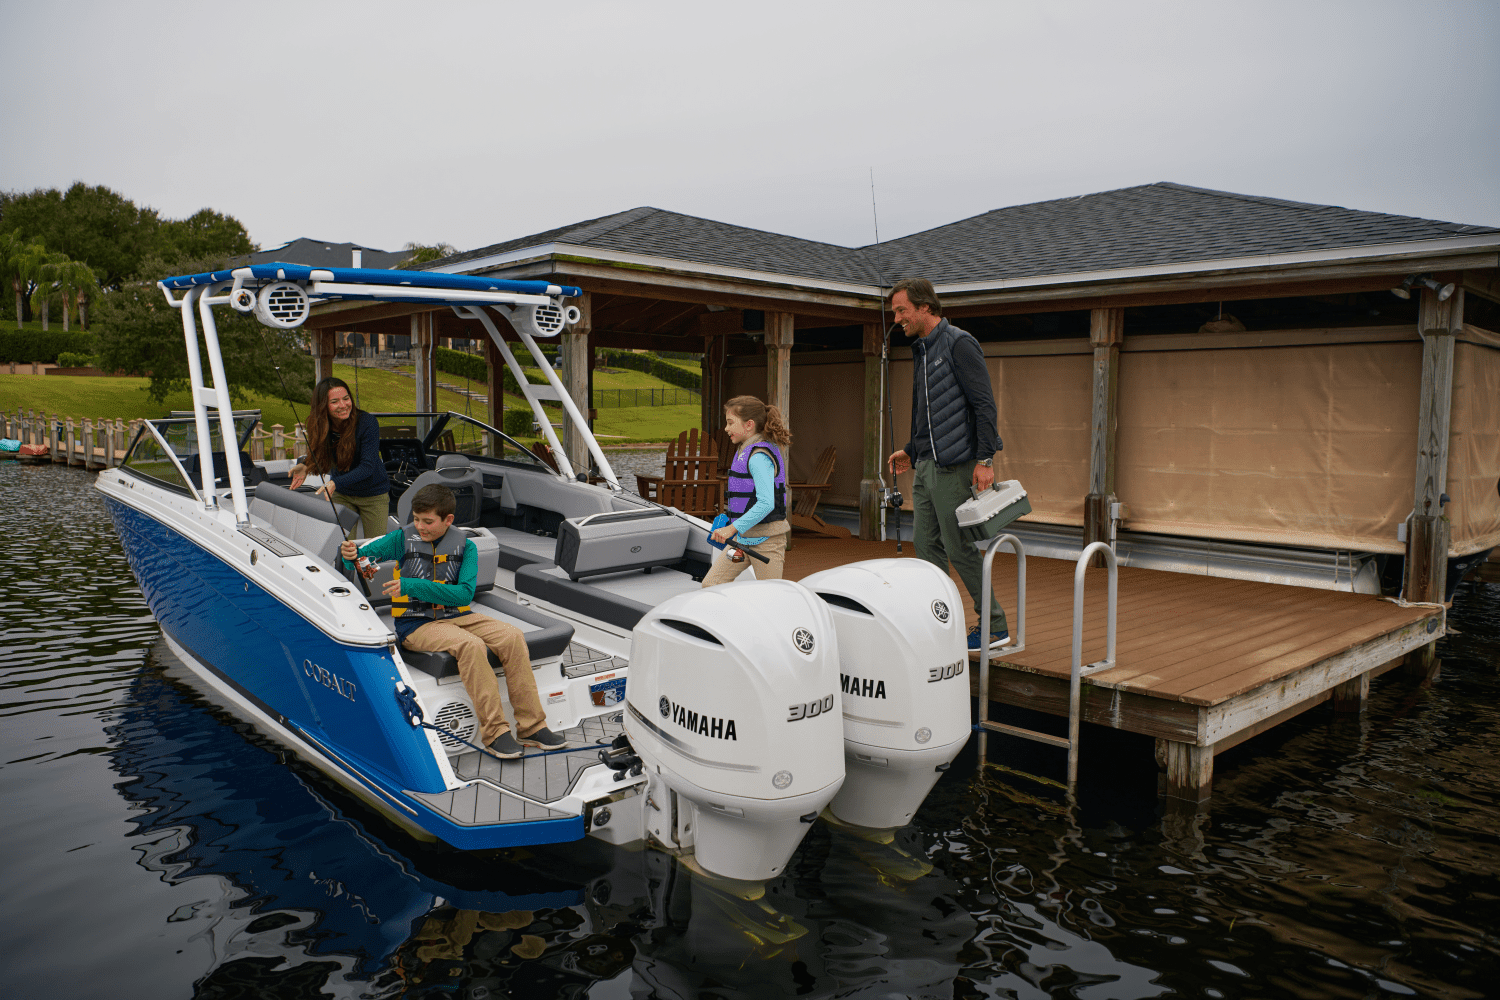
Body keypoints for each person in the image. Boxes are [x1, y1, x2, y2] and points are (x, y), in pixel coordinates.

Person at [340, 484, 572, 759]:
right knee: (470, 645)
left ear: (448, 520)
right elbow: (363, 558)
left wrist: (411, 586)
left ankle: (531, 727)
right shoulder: (402, 539)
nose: (419, 526)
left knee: (512, 636)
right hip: (416, 625)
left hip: (459, 616)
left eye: (427, 521)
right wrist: (351, 556)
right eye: (416, 519)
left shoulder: (467, 547)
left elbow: (464, 594)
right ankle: (496, 733)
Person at [884, 278, 1009, 651]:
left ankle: (994, 626)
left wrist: (985, 459)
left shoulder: (959, 343)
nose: (896, 319)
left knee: (958, 548)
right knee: (925, 546)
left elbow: (984, 406)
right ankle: (944, 619)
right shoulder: (921, 349)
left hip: (956, 466)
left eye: (901, 310)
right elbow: (929, 412)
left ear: (925, 307)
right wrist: (911, 449)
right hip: (925, 466)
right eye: (894, 312)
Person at [702, 395, 793, 587]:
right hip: (741, 540)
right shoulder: (744, 450)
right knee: (710, 585)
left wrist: (731, 529)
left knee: (769, 597)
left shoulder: (759, 457)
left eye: (730, 423)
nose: (726, 428)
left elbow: (766, 503)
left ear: (749, 425)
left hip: (767, 542)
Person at [290, 377, 390, 540]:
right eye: (335, 401)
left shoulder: (367, 422)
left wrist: (335, 482)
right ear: (323, 406)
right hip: (342, 494)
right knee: (345, 546)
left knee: (375, 548)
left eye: (346, 398)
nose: (343, 405)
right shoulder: (321, 425)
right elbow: (319, 453)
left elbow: (367, 467)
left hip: (373, 495)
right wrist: (305, 466)